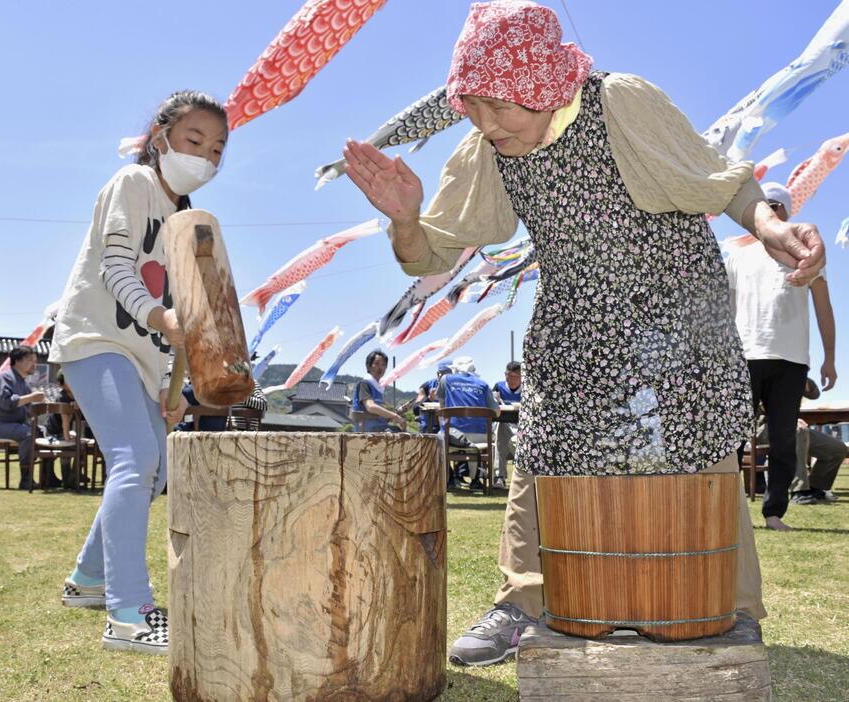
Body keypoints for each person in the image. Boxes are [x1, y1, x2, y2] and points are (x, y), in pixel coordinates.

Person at [343, 1, 824, 666]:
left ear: (541, 85)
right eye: (471, 108)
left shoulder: (618, 103)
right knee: (543, 447)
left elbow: (721, 182)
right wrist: (403, 219)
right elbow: (431, 252)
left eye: (497, 107)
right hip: (576, 318)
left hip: (676, 310)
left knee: (698, 444)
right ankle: (522, 602)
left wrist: (771, 229)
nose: (484, 124)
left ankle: (731, 606)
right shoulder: (487, 148)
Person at [49, 90, 228, 654]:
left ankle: (89, 581)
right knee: (136, 460)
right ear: (160, 137)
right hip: (94, 340)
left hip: (144, 361)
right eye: (194, 140)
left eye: (218, 149)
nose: (205, 156)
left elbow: (180, 317)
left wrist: (171, 384)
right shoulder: (132, 185)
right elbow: (117, 266)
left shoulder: (187, 222)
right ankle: (128, 613)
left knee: (153, 473)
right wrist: (159, 316)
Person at [727, 182, 837, 530]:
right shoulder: (736, 254)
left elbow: (824, 308)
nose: (771, 211)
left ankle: (774, 513)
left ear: (789, 211)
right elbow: (726, 312)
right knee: (732, 438)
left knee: (785, 439)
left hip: (791, 360)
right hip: (745, 356)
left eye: (777, 204)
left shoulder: (807, 254)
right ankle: (728, 510)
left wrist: (830, 358)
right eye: (764, 204)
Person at [0, 345, 46, 490]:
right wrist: (31, 397)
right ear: (17, 361)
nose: (34, 364)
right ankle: (26, 479)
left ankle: (48, 477)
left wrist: (42, 403)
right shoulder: (3, 377)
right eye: (30, 360)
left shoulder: (23, 383)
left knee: (43, 432)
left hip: (16, 425)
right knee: (28, 434)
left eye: (35, 361)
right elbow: (6, 403)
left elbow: (28, 408)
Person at [438, 356, 501, 490]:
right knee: (473, 445)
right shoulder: (483, 384)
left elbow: (442, 406)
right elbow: (496, 412)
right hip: (482, 437)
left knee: (437, 438)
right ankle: (475, 479)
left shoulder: (446, 380)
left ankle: (448, 479)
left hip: (454, 436)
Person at [791, 379, 845, 505]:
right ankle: (798, 491)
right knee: (799, 431)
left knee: (838, 449)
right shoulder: (769, 372)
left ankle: (815, 488)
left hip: (794, 426)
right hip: (767, 426)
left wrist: (804, 381)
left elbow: (815, 395)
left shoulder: (795, 373)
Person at [178, 379, 268, 431]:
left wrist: (240, 396)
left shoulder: (252, 384)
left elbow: (263, 404)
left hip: (245, 430)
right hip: (224, 428)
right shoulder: (225, 384)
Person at [351, 349, 407, 432]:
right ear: (368, 366)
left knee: (403, 432)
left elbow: (379, 414)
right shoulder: (364, 384)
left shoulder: (378, 388)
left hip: (379, 428)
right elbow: (371, 407)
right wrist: (394, 416)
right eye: (376, 363)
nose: (380, 367)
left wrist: (397, 414)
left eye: (383, 365)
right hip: (367, 430)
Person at [492, 361, 522, 489]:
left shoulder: (527, 388)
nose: (512, 380)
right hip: (504, 424)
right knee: (500, 427)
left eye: (515, 377)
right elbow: (493, 403)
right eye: (509, 376)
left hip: (522, 426)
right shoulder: (498, 387)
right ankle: (499, 476)